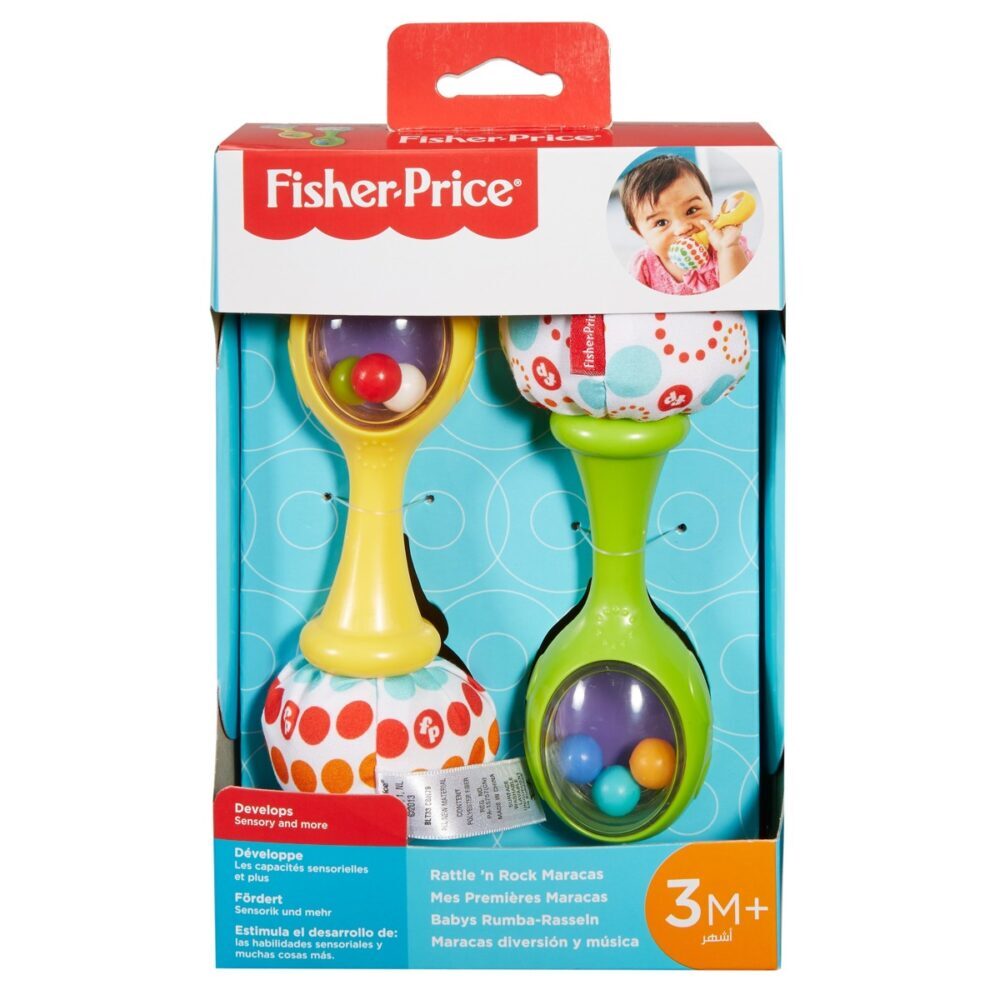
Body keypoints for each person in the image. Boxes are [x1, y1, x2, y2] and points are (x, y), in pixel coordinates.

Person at [621, 154, 751, 294]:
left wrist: (728, 249)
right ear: (639, 233)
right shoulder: (642, 266)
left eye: (692, 210)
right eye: (661, 222)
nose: (682, 228)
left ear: (710, 203)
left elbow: (740, 296)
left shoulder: (730, 246)